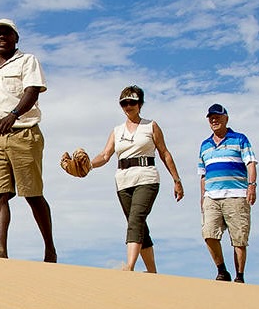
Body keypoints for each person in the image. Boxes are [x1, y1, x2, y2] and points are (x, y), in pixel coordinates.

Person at [0, 19, 57, 262]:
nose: (1, 37)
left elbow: (32, 91)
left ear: (16, 38)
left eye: (6, 33)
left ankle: (49, 249)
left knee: (32, 193)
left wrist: (13, 115)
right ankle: (0, 249)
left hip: (23, 133)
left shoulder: (28, 61)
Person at [73, 85, 184, 272]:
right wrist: (89, 165)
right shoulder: (117, 131)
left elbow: (165, 153)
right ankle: (152, 271)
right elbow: (106, 155)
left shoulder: (151, 126)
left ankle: (129, 267)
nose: (128, 106)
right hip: (123, 180)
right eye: (124, 103)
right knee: (138, 224)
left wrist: (177, 180)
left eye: (132, 102)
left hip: (147, 177)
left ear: (140, 104)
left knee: (136, 219)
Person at [197, 103, 257, 282]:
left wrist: (251, 186)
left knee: (239, 238)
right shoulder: (205, 145)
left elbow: (251, 163)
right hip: (211, 196)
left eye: (217, 116)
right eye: (211, 118)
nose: (214, 120)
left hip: (237, 194)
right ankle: (222, 270)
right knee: (209, 233)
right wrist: (202, 197)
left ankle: (239, 276)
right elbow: (202, 174)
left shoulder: (239, 139)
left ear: (226, 118)